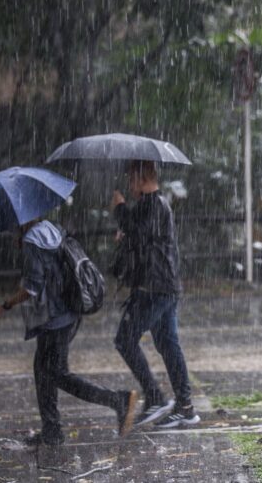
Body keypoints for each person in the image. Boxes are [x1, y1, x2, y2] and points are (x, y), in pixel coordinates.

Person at [0, 219, 138, 446]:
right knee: (43, 371)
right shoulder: (50, 228)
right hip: (68, 311)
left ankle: (117, 400)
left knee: (56, 373)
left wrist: (6, 304)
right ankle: (51, 431)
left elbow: (31, 288)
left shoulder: (33, 240)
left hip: (54, 319)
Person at [111, 160, 199, 428]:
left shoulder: (154, 204)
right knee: (168, 345)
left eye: (130, 179)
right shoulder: (153, 205)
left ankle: (156, 397)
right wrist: (126, 233)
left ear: (140, 179)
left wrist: (119, 209)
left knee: (125, 340)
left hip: (155, 288)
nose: (129, 185)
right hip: (163, 286)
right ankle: (184, 406)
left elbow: (140, 234)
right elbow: (141, 238)